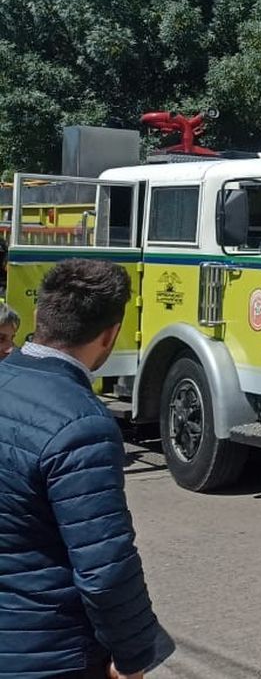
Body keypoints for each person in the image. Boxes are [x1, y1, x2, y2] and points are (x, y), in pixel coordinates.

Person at [0, 259, 161, 679]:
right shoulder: (82, 423)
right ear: (109, 336)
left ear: (37, 316)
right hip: (46, 653)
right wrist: (134, 656)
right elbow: (105, 565)